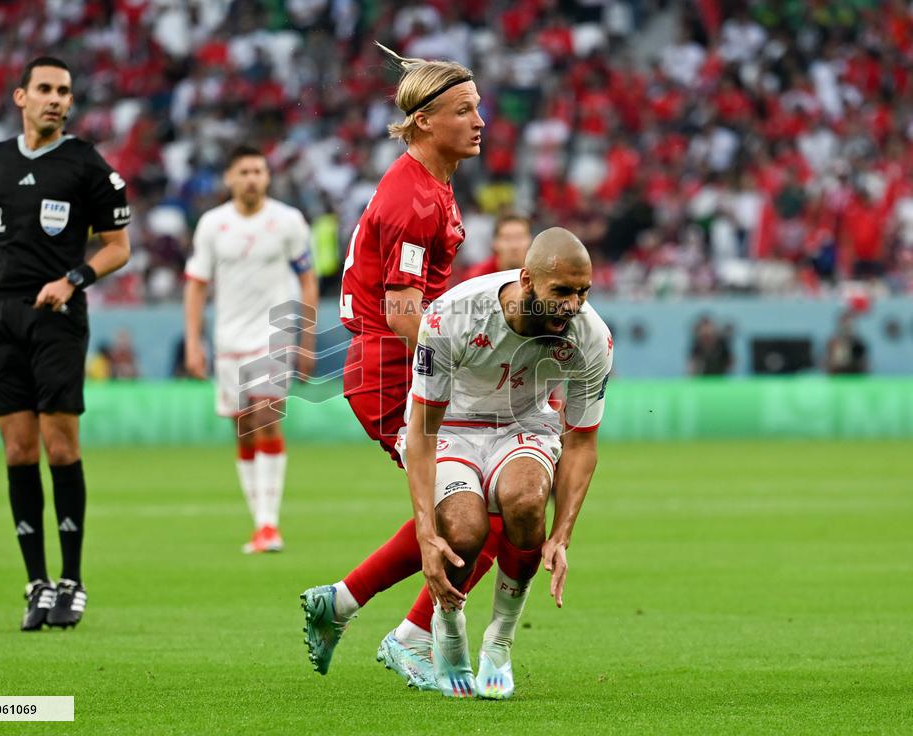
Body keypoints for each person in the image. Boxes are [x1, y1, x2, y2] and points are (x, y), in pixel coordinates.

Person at [300, 43, 491, 689]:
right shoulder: (415, 199)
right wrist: (469, 364)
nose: (479, 120)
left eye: (478, 107)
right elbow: (407, 312)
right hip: (389, 369)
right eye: (463, 109)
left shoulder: (429, 182)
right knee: (479, 510)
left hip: (396, 362)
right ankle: (409, 639)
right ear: (424, 122)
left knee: (489, 504)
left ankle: (347, 604)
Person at [401, 228, 611, 698]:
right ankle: (449, 631)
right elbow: (423, 430)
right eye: (561, 292)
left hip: (524, 425)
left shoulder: (592, 336)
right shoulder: (452, 316)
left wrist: (563, 533)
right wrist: (424, 531)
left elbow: (581, 443)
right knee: (464, 529)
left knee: (526, 501)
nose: (573, 305)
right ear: (527, 280)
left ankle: (499, 640)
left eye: (583, 292)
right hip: (451, 425)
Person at [0, 57, 131, 631]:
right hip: (0, 315)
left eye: (64, 91)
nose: (55, 99)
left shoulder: (87, 164)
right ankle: (36, 583)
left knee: (60, 446)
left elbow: (118, 246)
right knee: (18, 451)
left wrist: (73, 280)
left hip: (58, 317)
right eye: (44, 89)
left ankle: (72, 579)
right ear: (21, 96)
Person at [184, 144, 317, 554]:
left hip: (273, 334)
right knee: (243, 428)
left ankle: (268, 525)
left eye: (258, 171)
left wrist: (306, 341)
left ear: (267, 177)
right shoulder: (212, 225)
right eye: (243, 171)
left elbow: (308, 279)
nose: (252, 178)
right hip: (228, 341)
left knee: (264, 418)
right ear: (229, 178)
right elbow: (197, 285)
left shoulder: (288, 221)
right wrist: (193, 341)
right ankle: (259, 523)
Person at [462, 213, 531, 280]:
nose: (514, 246)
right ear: (494, 243)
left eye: (519, 237)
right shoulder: (477, 278)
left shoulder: (538, 275)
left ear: (530, 240)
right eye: (507, 238)